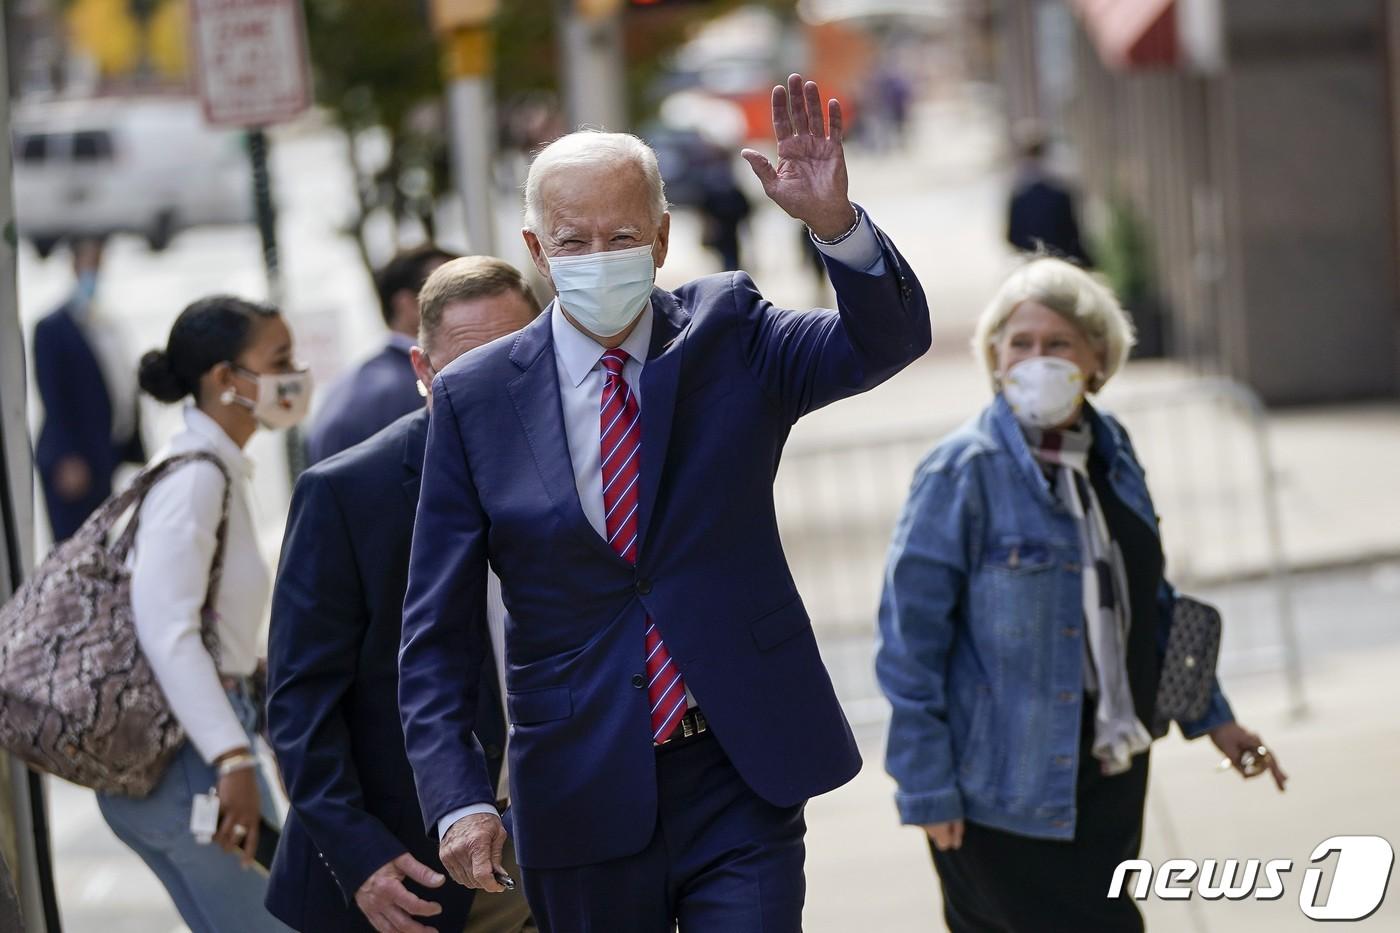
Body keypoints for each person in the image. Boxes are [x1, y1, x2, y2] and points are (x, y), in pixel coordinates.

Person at [398, 73, 931, 933]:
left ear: (661, 239)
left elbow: (888, 341)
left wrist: (835, 225)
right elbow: (433, 630)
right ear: (537, 250)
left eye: (622, 234)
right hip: (579, 786)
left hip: (736, 766)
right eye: (574, 240)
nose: (598, 254)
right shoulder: (474, 396)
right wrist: (457, 796)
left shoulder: (733, 330)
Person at [876, 257, 1287, 933]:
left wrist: (1212, 714)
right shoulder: (963, 470)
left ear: (1097, 358)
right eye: (1020, 343)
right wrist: (925, 784)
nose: (1036, 358)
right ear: (996, 357)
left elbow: (1146, 595)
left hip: (1110, 771)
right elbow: (908, 642)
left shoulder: (1111, 447)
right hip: (1004, 789)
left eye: (1057, 343)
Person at [265, 257, 540, 933]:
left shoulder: (581, 464)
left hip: (553, 849)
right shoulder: (348, 493)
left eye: (520, 358)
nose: (499, 386)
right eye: (470, 369)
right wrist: (359, 856)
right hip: (402, 874)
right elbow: (300, 706)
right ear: (423, 371)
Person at [98, 295, 313, 933]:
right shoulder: (193, 479)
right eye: (279, 360)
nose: (294, 374)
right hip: (192, 759)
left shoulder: (214, 467)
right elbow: (168, 631)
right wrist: (231, 759)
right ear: (226, 379)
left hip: (207, 745)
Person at [32, 235, 146, 542]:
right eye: (87, 261)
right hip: (73, 460)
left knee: (100, 544)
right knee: (74, 549)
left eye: (98, 261)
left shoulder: (104, 323)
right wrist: (67, 456)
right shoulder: (52, 328)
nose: (93, 270)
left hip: (102, 452)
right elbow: (52, 395)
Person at [306, 245, 455, 464]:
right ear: (406, 305)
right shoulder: (419, 386)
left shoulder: (349, 385)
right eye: (452, 293)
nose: (471, 304)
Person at [1005, 125, 1093, 267]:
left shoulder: (1018, 196)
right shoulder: (1060, 192)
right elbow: (1072, 233)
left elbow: (1011, 237)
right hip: (1062, 262)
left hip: (1030, 264)